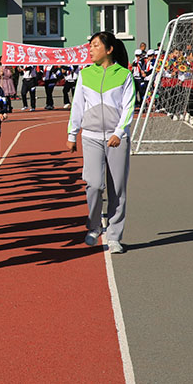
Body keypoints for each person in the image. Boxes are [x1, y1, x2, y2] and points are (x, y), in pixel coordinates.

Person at [67, 31, 135, 254]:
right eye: (90, 46)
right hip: (91, 137)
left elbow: (128, 107)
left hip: (117, 139)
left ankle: (114, 236)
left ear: (109, 49)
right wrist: (72, 134)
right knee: (94, 185)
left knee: (118, 189)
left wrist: (119, 132)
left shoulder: (124, 75)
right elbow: (77, 105)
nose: (91, 50)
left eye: (95, 46)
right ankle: (94, 225)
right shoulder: (85, 75)